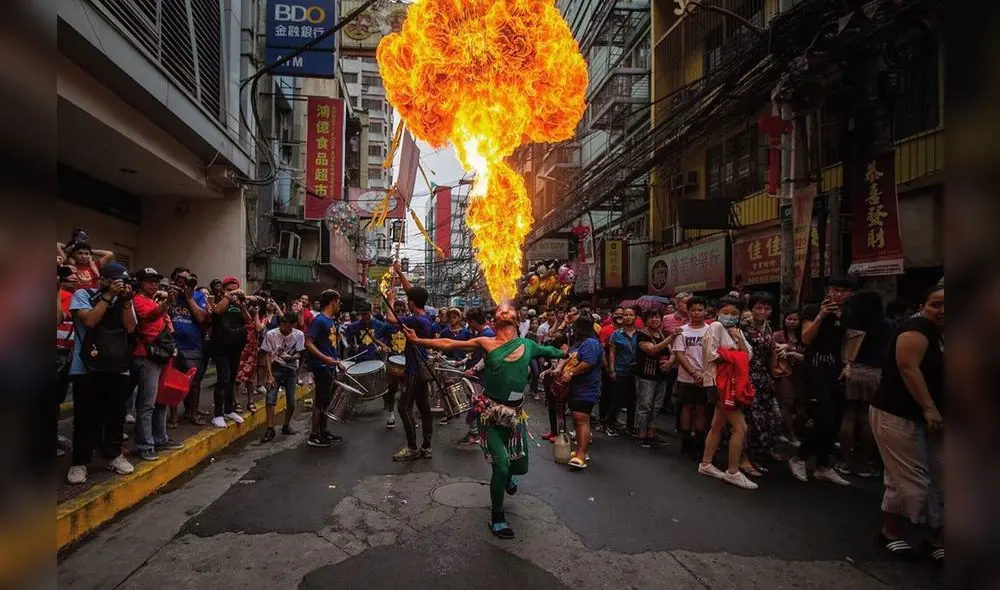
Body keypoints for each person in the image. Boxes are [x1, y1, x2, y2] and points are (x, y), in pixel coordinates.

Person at [401, 305, 565, 539]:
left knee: (520, 467)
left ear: (517, 318)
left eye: (509, 310)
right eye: (500, 310)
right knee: (501, 465)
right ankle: (497, 516)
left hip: (516, 415)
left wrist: (565, 353)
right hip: (490, 412)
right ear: (495, 320)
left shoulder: (528, 345)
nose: (505, 310)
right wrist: (418, 341)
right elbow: (450, 344)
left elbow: (549, 349)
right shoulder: (486, 342)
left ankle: (508, 479)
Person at [869, 286, 944, 561]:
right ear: (924, 305)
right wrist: (929, 407)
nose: (943, 311)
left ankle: (933, 537)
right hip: (899, 414)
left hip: (938, 420)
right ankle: (904, 532)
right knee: (912, 480)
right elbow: (908, 368)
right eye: (936, 304)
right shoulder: (916, 330)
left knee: (942, 478)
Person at [65, 263, 138, 484]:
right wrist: (108, 296)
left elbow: (131, 327)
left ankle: (113, 455)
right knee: (86, 416)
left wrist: (125, 301)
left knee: (115, 415)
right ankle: (79, 462)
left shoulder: (125, 300)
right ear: (103, 280)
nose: (121, 285)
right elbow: (89, 320)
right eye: (116, 280)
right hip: (86, 367)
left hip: (117, 365)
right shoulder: (83, 294)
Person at [787, 278, 856, 486]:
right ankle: (799, 457)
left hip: (836, 370)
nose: (839, 294)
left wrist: (848, 363)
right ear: (828, 290)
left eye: (844, 291)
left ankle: (823, 465)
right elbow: (806, 339)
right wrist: (821, 315)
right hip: (814, 370)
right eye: (836, 289)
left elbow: (850, 340)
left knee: (835, 420)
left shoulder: (849, 315)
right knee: (823, 419)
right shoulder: (812, 310)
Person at [696, 296, 758, 490]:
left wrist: (737, 342)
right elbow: (712, 354)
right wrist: (735, 355)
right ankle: (733, 471)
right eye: (726, 312)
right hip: (718, 384)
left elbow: (748, 355)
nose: (730, 316)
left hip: (731, 384)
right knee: (741, 428)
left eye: (734, 313)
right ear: (718, 312)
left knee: (717, 425)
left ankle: (706, 463)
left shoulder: (736, 332)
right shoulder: (715, 327)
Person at [836, 289, 892, 477]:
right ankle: (864, 463)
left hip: (854, 370)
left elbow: (847, 349)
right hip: (876, 373)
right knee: (868, 419)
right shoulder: (887, 325)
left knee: (849, 415)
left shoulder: (854, 323)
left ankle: (844, 461)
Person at [383, 262, 435, 460]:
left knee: (404, 407)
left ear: (412, 303)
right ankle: (427, 447)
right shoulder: (427, 314)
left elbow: (390, 319)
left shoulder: (416, 320)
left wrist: (390, 299)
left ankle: (413, 447)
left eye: (408, 299)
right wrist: (399, 272)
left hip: (414, 369)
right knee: (424, 407)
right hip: (421, 368)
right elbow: (410, 291)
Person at [131, 267, 184, 461]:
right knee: (147, 403)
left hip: (160, 354)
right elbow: (149, 317)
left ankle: (160, 438)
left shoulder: (152, 301)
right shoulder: (137, 301)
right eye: (149, 281)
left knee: (160, 400)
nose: (154, 284)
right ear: (141, 283)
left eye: (156, 281)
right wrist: (167, 303)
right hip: (146, 356)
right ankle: (145, 444)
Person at [741, 292, 782, 472]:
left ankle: (760, 452)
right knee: (750, 420)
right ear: (751, 308)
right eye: (759, 307)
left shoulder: (768, 328)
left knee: (772, 418)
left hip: (764, 378)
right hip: (747, 377)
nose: (763, 311)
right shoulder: (742, 328)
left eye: (767, 308)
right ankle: (744, 458)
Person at [556, 317, 601, 469]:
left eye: (574, 328)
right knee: (576, 418)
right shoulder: (578, 344)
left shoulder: (591, 343)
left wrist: (571, 373)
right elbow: (568, 357)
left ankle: (582, 454)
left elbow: (588, 363)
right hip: (575, 388)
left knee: (581, 419)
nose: (572, 331)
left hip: (587, 388)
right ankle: (579, 449)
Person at [304, 289, 347, 448]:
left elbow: (331, 346)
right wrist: (325, 359)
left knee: (327, 401)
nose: (340, 305)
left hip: (331, 366)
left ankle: (324, 431)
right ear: (333, 301)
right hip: (322, 367)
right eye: (339, 302)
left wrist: (337, 362)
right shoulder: (320, 320)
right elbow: (308, 343)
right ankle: (314, 435)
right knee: (320, 402)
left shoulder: (332, 321)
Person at [167, 268, 210, 426]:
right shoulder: (168, 294)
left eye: (188, 279)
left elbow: (201, 318)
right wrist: (171, 296)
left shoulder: (198, 296)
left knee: (194, 383)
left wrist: (189, 298)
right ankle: (173, 416)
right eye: (180, 279)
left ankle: (192, 412)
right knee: (172, 382)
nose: (184, 282)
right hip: (171, 346)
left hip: (193, 346)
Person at [209, 276, 250, 429]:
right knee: (223, 379)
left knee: (232, 379)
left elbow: (248, 319)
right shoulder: (219, 301)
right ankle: (218, 414)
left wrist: (242, 305)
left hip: (235, 345)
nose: (233, 293)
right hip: (220, 346)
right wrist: (229, 296)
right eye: (229, 290)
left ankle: (228, 409)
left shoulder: (238, 304)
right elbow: (218, 311)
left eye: (235, 290)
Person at [673, 296, 711, 460]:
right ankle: (686, 439)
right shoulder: (682, 331)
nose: (697, 313)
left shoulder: (711, 330)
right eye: (693, 310)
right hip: (686, 377)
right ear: (688, 312)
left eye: (700, 310)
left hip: (707, 377)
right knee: (687, 408)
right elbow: (679, 354)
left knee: (701, 409)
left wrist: (704, 374)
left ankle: (699, 440)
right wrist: (694, 373)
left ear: (705, 312)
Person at [633, 309, 677, 447]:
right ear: (646, 320)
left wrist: (670, 362)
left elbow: (673, 352)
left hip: (661, 375)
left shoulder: (662, 334)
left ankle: (651, 433)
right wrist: (671, 338)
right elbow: (651, 350)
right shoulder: (641, 334)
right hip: (646, 375)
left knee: (657, 406)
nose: (655, 320)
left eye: (657, 317)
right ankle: (640, 434)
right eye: (651, 317)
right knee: (645, 405)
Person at [260, 311, 306, 442]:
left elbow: (300, 353)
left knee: (291, 401)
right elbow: (267, 355)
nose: (283, 326)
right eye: (282, 323)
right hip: (275, 368)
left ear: (292, 325)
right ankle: (270, 428)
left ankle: (286, 424)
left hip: (291, 369)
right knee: (270, 398)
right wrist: (269, 375)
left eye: (286, 324)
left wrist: (291, 357)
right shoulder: (271, 334)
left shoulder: (299, 335)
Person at [457, 307, 496, 445]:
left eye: (469, 322)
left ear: (473, 321)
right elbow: (475, 354)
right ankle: (477, 432)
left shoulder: (488, 334)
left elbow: (487, 358)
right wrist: (463, 362)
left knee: (477, 404)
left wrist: (473, 369)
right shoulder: (481, 333)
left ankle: (476, 433)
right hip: (475, 375)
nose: (469, 325)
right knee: (474, 404)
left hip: (480, 377)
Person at [771, 310, 804, 447]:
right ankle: (790, 434)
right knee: (786, 403)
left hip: (800, 373)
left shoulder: (804, 336)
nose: (792, 321)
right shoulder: (778, 335)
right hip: (783, 373)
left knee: (800, 404)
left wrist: (790, 350)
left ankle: (789, 431)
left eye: (795, 319)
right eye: (789, 318)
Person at [606, 307, 639, 437]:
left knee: (633, 401)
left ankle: (630, 426)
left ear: (635, 318)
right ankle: (610, 424)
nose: (628, 317)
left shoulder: (640, 334)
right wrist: (612, 369)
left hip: (636, 372)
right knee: (616, 399)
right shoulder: (616, 334)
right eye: (626, 315)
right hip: (620, 370)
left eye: (631, 315)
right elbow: (612, 353)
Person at [377, 299, 409, 429]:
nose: (400, 312)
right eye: (397, 309)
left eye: (402, 309)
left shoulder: (409, 323)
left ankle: (409, 416)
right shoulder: (388, 325)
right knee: (391, 390)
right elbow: (376, 337)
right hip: (392, 361)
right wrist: (384, 346)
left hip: (408, 362)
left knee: (409, 392)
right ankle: (391, 416)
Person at [56, 265, 78, 456]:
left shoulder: (75, 296)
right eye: (70, 276)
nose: (75, 278)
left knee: (58, 397)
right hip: (56, 352)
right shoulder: (60, 294)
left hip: (67, 352)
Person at [235, 296, 267, 415]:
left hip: (252, 350)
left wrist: (256, 314)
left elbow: (258, 328)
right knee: (237, 377)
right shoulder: (243, 315)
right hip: (241, 348)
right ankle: (237, 402)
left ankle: (250, 401)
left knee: (250, 378)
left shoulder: (263, 318)